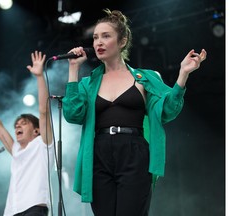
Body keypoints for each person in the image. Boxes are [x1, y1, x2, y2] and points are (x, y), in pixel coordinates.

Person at [62, 8, 207, 216]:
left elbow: (168, 109)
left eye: (106, 36)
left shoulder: (144, 78)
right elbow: (73, 114)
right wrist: (73, 70)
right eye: (95, 38)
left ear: (122, 41)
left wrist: (183, 74)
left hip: (134, 152)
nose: (98, 43)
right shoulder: (88, 84)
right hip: (99, 154)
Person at [0, 51, 55, 216]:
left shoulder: (43, 144)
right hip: (12, 211)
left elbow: (44, 112)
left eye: (23, 123)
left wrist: (40, 76)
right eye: (16, 125)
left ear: (36, 130)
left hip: (34, 209)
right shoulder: (17, 150)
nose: (17, 126)